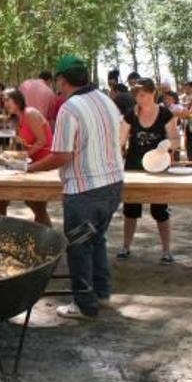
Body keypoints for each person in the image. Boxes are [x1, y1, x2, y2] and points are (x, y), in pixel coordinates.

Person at [28, 55, 123, 320]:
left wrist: (30, 168)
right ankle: (101, 294)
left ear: (62, 80)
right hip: (112, 185)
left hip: (85, 190)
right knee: (97, 241)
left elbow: (61, 155)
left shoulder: (70, 108)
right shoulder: (106, 100)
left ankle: (84, 304)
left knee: (80, 247)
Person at [116, 79, 179, 264]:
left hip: (159, 169)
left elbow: (176, 140)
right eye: (136, 95)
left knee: (160, 210)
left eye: (142, 95)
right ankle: (126, 247)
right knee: (130, 209)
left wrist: (168, 145)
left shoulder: (165, 114)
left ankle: (166, 251)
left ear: (153, 93)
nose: (139, 98)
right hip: (134, 167)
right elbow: (120, 142)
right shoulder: (130, 115)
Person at [0, 89, 52, 227]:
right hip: (30, 162)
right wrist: (8, 155)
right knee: (1, 195)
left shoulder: (30, 113)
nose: (5, 104)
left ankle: (46, 236)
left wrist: (24, 155)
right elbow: (18, 143)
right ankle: (3, 227)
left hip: (44, 162)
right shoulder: (14, 118)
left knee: (36, 204)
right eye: (3, 101)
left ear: (18, 99)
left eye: (8, 100)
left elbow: (42, 141)